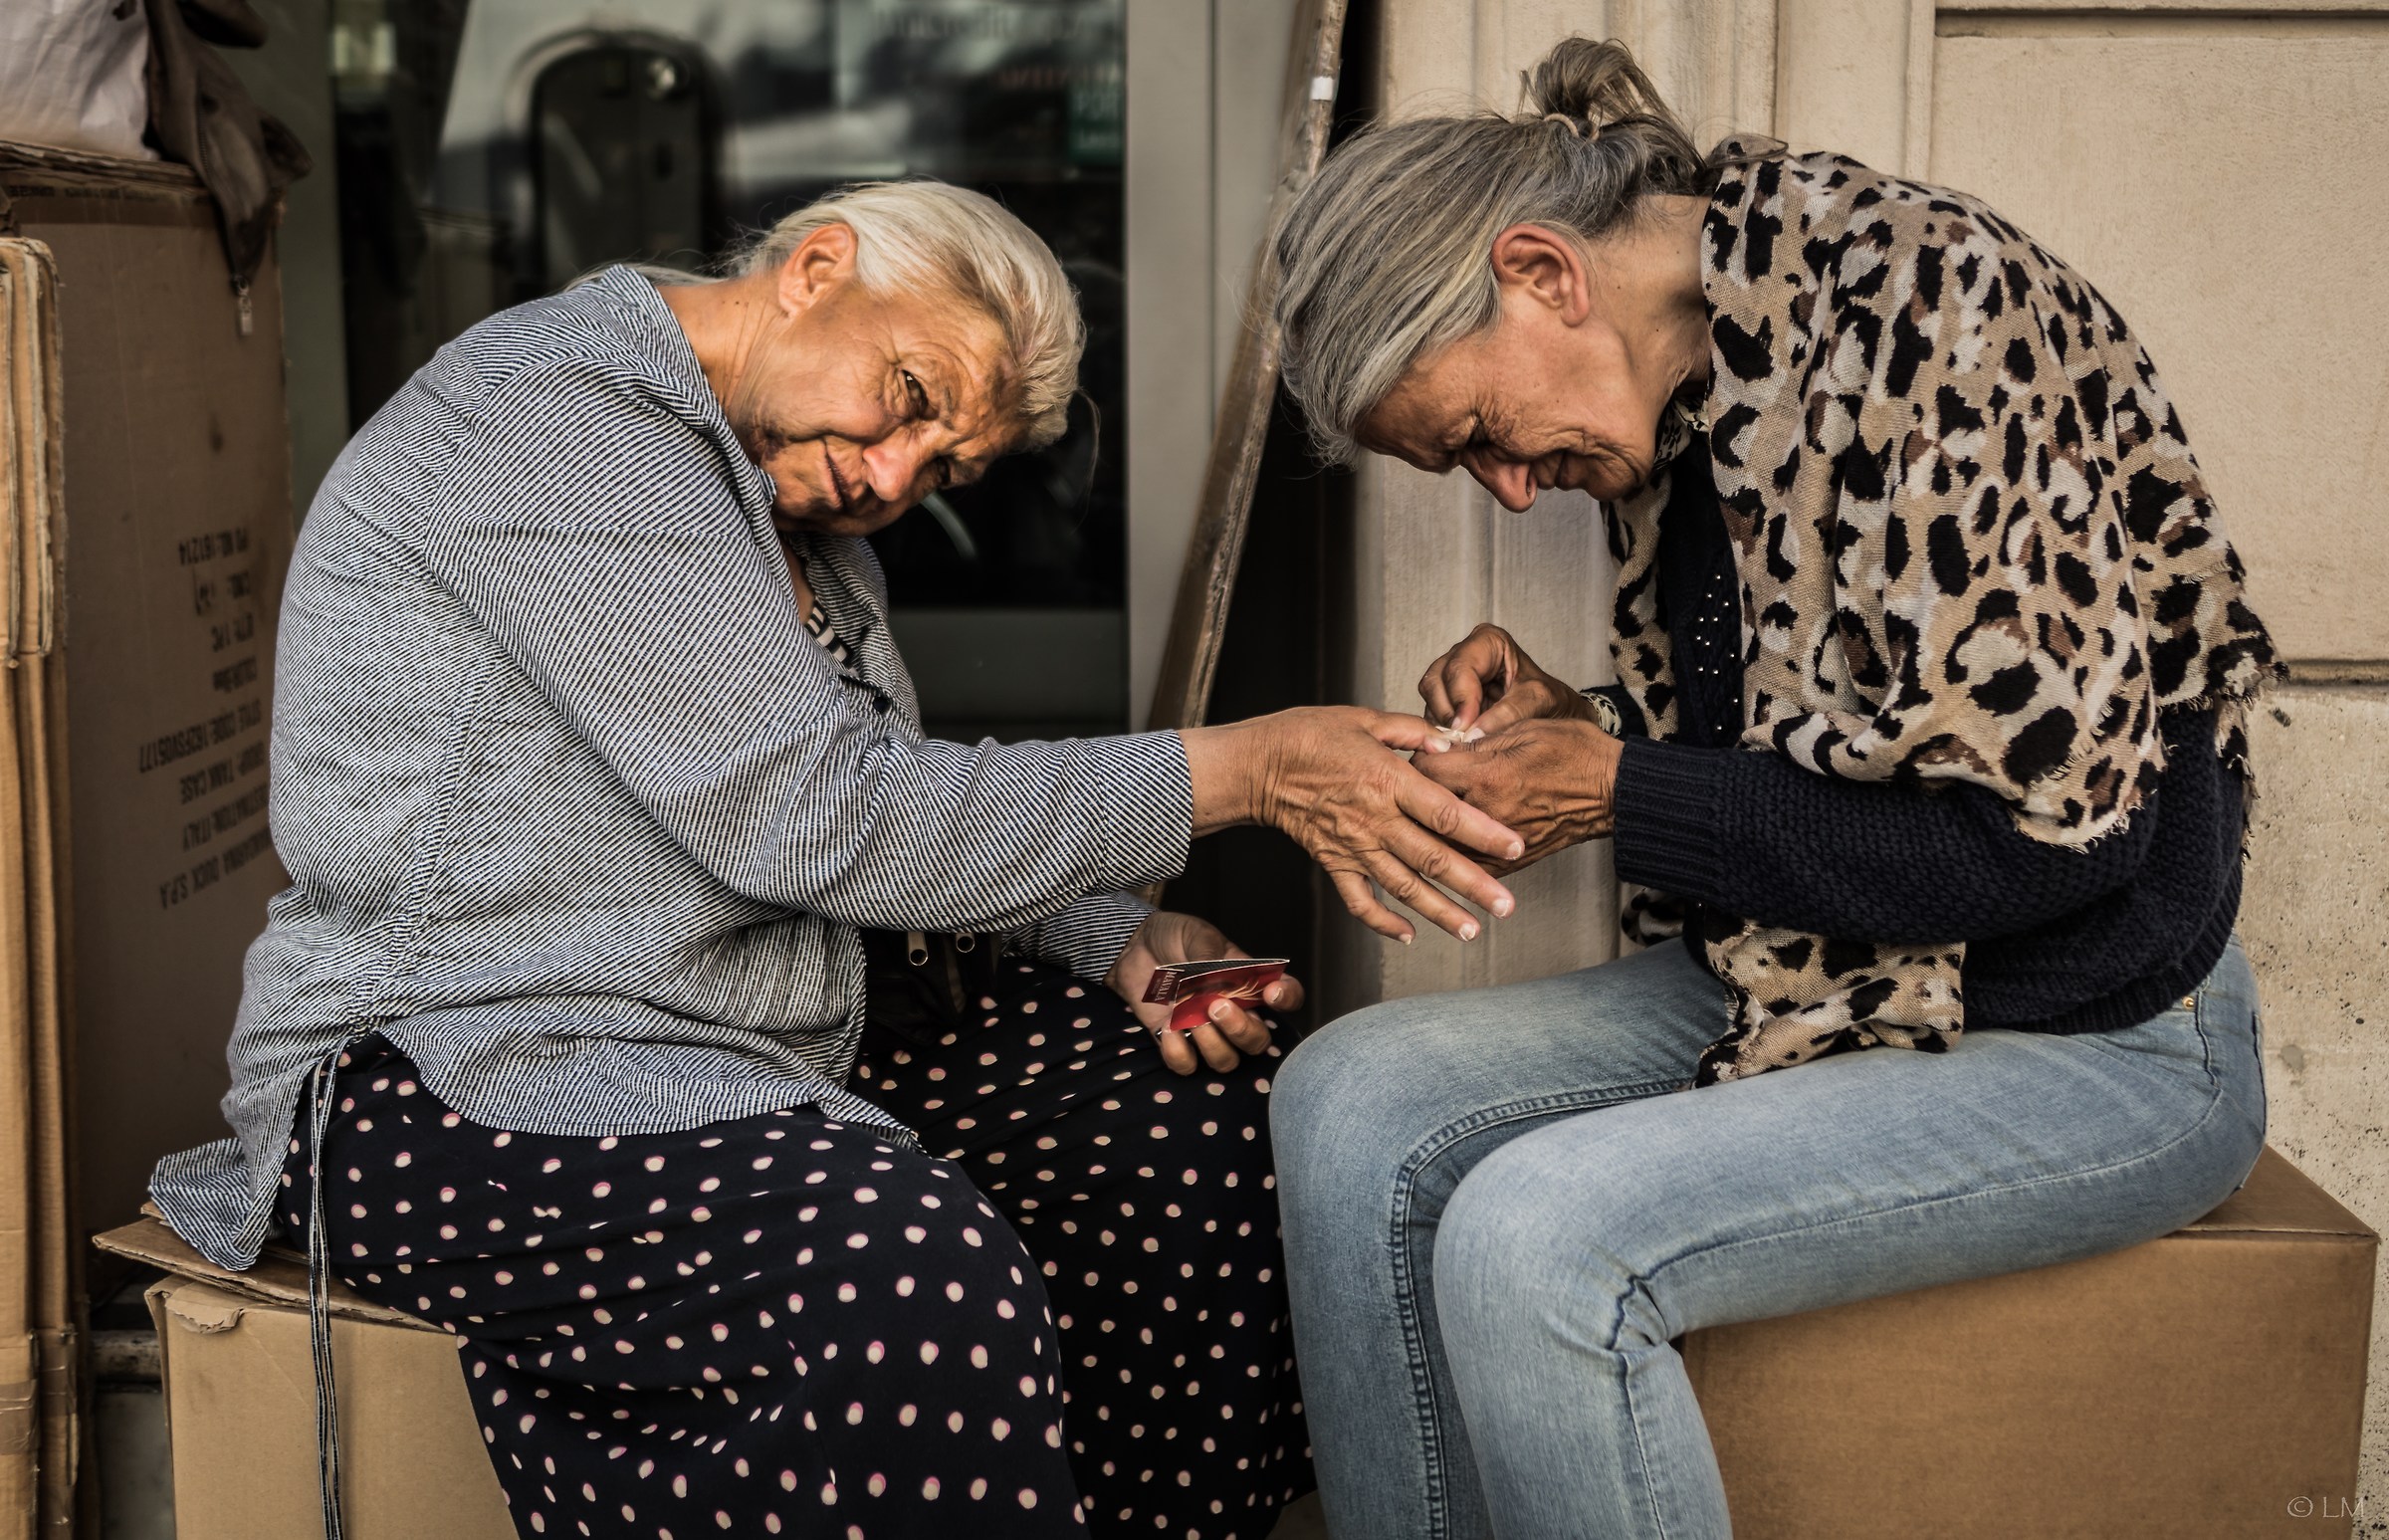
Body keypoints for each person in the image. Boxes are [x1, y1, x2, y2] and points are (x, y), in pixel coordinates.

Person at [149, 180, 1529, 1540]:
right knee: (901, 1272)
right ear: (816, 267)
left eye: (944, 471)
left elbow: (863, 804)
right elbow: (818, 818)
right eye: (913, 397)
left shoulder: (784, 503)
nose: (890, 479)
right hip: (464, 1064)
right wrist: (1245, 770)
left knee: (1210, 1140)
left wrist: (1106, 935)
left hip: (764, 1030)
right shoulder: (553, 428)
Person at [1263, 37, 2279, 1540]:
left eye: (1479, 433)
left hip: (2095, 1020)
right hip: (1820, 983)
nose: (1513, 490)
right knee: (1345, 1099)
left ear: (1543, 271)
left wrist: (1616, 788)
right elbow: (1838, 731)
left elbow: (2047, 837)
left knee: (1539, 1244)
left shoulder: (1930, 313)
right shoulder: (1689, 383)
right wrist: (1590, 722)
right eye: (1466, 472)